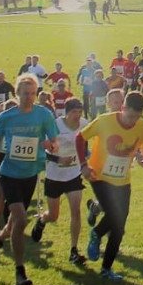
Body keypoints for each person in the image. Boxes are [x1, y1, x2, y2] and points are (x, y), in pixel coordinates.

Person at [0, 76, 60, 285]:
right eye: (25, 93)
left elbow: (54, 140)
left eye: (32, 93)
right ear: (17, 94)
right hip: (9, 173)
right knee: (20, 219)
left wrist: (52, 147)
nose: (28, 97)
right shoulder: (6, 117)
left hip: (31, 173)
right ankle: (20, 271)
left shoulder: (44, 115)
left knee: (14, 223)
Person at [76, 92, 143, 279]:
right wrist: (83, 165)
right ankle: (97, 233)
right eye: (130, 116)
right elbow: (80, 138)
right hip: (99, 176)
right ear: (123, 108)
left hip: (122, 179)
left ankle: (106, 269)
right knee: (113, 215)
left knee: (120, 225)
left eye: (137, 117)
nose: (132, 121)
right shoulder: (104, 120)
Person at [31, 98, 90, 266]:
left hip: (73, 173)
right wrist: (57, 159)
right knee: (53, 215)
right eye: (74, 112)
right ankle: (42, 221)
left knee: (76, 211)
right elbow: (42, 147)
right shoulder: (55, 125)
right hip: (54, 175)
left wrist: (85, 157)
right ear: (66, 112)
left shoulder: (84, 124)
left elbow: (86, 142)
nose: (77, 116)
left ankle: (74, 250)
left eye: (79, 112)